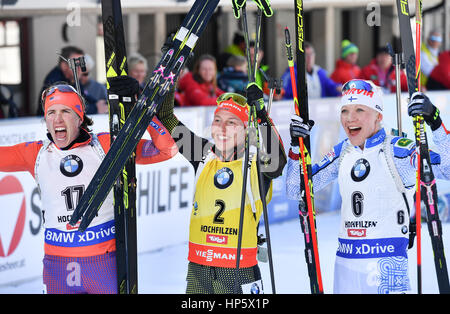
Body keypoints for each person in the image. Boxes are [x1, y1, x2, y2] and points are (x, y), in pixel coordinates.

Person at [0, 77, 178, 294]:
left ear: (79, 117)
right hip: (58, 266)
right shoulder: (35, 153)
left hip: (104, 264)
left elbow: (166, 150)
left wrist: (142, 110)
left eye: (65, 111)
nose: (57, 119)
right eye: (51, 112)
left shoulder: (105, 145)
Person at [286, 79, 450, 294]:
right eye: (344, 110)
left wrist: (435, 122)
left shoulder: (397, 151)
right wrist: (295, 148)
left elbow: (447, 169)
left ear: (378, 116)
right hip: (345, 263)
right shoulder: (342, 152)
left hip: (385, 264)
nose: (350, 118)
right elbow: (295, 190)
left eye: (359, 110)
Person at [156, 82, 286, 294]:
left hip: (239, 269)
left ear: (246, 130)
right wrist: (174, 68)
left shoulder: (256, 163)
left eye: (232, 122)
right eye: (217, 120)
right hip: (199, 268)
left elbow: (276, 162)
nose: (222, 129)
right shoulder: (203, 154)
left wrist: (261, 115)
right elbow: (166, 117)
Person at [37, 46, 85, 115]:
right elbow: (70, 108)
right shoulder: (55, 82)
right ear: (64, 65)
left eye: (82, 63)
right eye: (76, 64)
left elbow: (84, 98)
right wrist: (95, 107)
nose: (80, 68)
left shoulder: (73, 78)